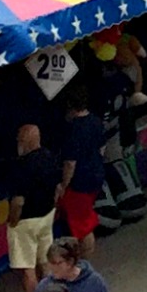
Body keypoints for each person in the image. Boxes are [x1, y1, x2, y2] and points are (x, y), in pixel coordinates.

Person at [0, 121, 61, 292]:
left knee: (27, 269)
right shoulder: (50, 157)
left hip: (26, 222)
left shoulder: (21, 166)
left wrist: (12, 220)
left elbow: (18, 201)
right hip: (46, 215)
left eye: (20, 139)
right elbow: (58, 187)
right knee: (45, 263)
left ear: (26, 140)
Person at [56, 91, 108, 255]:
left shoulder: (73, 129)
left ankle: (85, 259)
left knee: (83, 225)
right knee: (84, 218)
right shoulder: (96, 121)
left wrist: (64, 184)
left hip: (79, 182)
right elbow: (102, 147)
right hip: (96, 173)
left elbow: (70, 162)